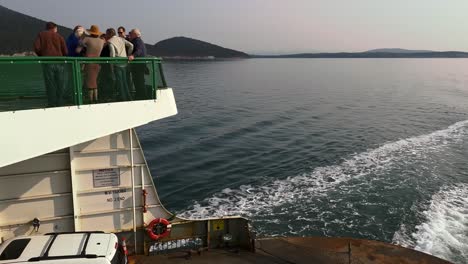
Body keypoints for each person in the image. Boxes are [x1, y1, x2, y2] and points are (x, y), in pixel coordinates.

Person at [34, 21, 68, 107]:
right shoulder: (59, 36)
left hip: (48, 62)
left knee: (50, 83)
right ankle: (60, 103)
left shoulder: (41, 35)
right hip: (60, 63)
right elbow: (65, 51)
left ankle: (51, 104)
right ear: (55, 28)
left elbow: (37, 48)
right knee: (60, 83)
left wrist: (42, 56)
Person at [77, 25, 105, 103]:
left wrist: (82, 38)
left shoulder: (87, 39)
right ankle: (95, 99)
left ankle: (91, 100)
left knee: (90, 83)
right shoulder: (102, 41)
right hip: (98, 63)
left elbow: (77, 50)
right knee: (94, 82)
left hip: (89, 63)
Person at [106, 28, 134, 101]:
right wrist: (128, 55)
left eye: (107, 33)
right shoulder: (121, 39)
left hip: (117, 63)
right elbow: (131, 45)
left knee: (120, 82)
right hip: (124, 63)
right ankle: (129, 97)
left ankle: (123, 98)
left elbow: (112, 54)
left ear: (109, 34)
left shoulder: (110, 41)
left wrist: (111, 66)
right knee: (124, 81)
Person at [128, 28, 148, 100]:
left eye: (131, 33)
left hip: (138, 66)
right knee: (139, 81)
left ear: (135, 34)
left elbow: (139, 50)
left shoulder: (137, 41)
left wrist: (133, 56)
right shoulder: (139, 41)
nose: (129, 35)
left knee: (138, 81)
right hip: (141, 65)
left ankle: (141, 96)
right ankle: (141, 95)